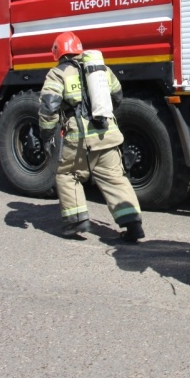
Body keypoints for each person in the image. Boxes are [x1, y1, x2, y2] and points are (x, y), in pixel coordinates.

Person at [38, 31, 145, 241]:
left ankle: (77, 221)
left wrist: (47, 133)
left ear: (57, 53)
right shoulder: (101, 69)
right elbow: (118, 96)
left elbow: (49, 107)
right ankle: (134, 225)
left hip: (79, 137)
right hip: (108, 134)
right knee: (115, 179)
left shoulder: (57, 74)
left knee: (67, 175)